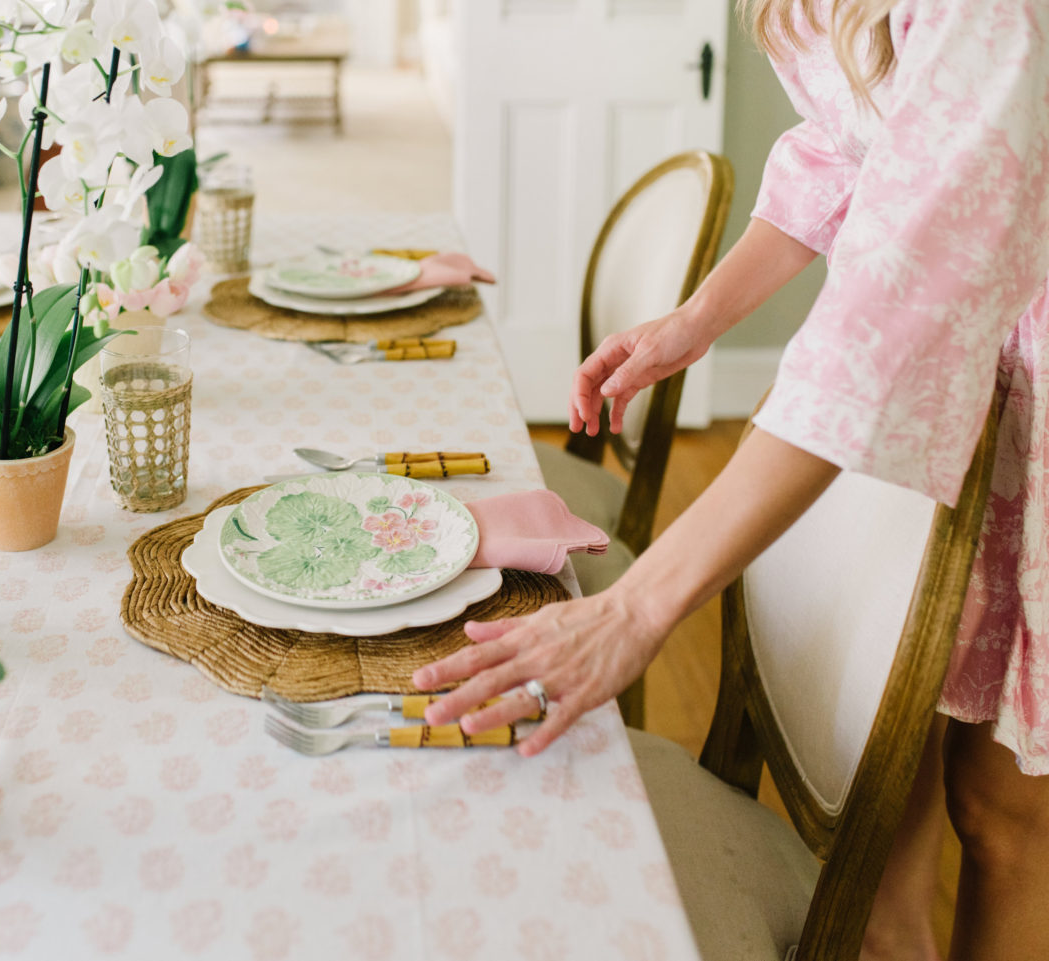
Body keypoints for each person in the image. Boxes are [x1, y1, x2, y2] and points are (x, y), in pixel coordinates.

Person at [411, 1, 1049, 958]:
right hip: (946, 375)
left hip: (1002, 352)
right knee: (900, 821)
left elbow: (894, 310)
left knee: (1000, 810)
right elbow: (846, 143)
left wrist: (636, 609)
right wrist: (695, 320)